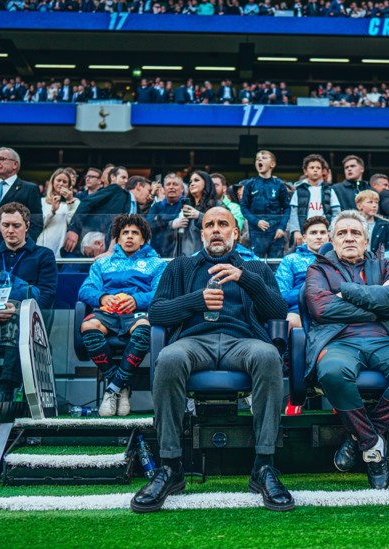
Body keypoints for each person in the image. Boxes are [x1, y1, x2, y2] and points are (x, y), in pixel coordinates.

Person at [132, 207, 292, 513]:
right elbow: (156, 313)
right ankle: (170, 466)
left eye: (223, 224)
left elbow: (278, 312)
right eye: (210, 225)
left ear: (235, 232)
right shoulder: (180, 266)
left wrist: (246, 281)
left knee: (268, 355)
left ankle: (264, 465)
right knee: (168, 357)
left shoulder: (256, 269)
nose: (216, 229)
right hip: (194, 342)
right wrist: (196, 300)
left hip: (241, 342)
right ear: (202, 233)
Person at [304, 210, 389, 490]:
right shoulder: (317, 269)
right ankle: (374, 446)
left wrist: (346, 291)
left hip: (385, 338)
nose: (349, 237)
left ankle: (360, 437)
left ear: (365, 241)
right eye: (342, 233)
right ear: (332, 240)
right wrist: (375, 302)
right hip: (338, 340)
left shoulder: (386, 264)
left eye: (355, 233)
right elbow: (322, 308)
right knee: (333, 372)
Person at [79, 214, 165, 417]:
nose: (129, 237)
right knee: (88, 327)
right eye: (124, 233)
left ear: (143, 239)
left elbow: (161, 292)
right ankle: (121, 386)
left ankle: (113, 388)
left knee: (144, 328)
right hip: (108, 312)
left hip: (138, 312)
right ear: (117, 238)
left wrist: (136, 299)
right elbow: (85, 289)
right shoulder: (102, 264)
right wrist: (102, 297)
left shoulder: (157, 264)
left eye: (135, 233)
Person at [0, 202, 57, 397]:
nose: (10, 231)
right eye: (5, 225)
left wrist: (18, 309)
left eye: (16, 225)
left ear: (27, 226)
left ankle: (5, 389)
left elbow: (47, 296)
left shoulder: (43, 255)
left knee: (18, 324)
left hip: (27, 322)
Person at [64, 168, 135, 255]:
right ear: (112, 177)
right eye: (123, 177)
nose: (126, 181)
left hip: (104, 243)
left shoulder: (123, 194)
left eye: (127, 178)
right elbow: (87, 203)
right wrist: (74, 229)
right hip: (93, 240)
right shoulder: (115, 188)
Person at [276, 215, 329, 328]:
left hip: (331, 308)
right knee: (288, 322)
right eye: (313, 233)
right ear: (304, 238)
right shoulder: (291, 259)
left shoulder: (337, 258)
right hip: (299, 309)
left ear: (328, 236)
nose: (319, 237)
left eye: (322, 232)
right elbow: (282, 294)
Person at [240, 151, 290, 259]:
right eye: (257, 158)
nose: (259, 160)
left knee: (275, 263)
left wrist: (282, 227)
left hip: (276, 231)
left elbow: (286, 207)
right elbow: (244, 207)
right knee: (257, 262)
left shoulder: (279, 184)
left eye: (264, 158)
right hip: (257, 232)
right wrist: (256, 221)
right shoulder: (250, 184)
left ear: (272, 164)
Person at [288, 154, 340, 247]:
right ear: (305, 171)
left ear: (322, 171)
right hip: (305, 231)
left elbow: (336, 212)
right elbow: (293, 213)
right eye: (312, 167)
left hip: (324, 232)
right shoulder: (299, 190)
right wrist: (296, 231)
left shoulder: (329, 190)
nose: (315, 170)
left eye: (318, 168)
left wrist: (331, 231)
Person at [37, 168, 80, 258]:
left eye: (64, 182)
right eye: (58, 180)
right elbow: (39, 224)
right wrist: (52, 210)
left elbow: (73, 224)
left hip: (61, 244)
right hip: (42, 243)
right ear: (52, 182)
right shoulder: (42, 201)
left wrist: (70, 201)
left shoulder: (75, 202)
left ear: (69, 185)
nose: (61, 184)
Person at [178, 171, 220, 256]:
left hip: (208, 257)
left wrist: (199, 215)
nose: (192, 184)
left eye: (196, 180)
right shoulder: (188, 205)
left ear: (206, 183)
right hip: (187, 257)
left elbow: (224, 225)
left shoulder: (217, 205)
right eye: (190, 182)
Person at [147, 173, 188, 258]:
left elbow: (185, 222)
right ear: (164, 188)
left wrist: (158, 218)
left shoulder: (187, 204)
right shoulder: (157, 206)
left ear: (182, 189)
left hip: (180, 253)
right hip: (157, 253)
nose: (171, 187)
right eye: (168, 184)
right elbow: (148, 225)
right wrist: (172, 223)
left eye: (175, 184)